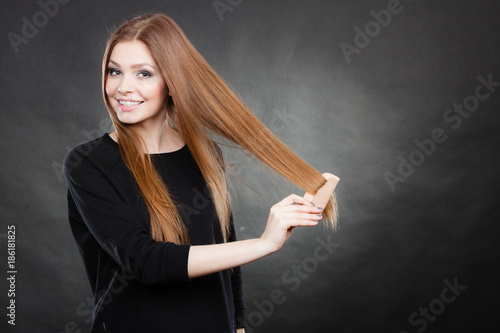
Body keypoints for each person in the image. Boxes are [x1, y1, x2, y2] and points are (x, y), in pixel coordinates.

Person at [63, 13, 338, 333]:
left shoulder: (205, 154)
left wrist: (237, 324)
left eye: (144, 74)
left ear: (172, 81)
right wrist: (265, 243)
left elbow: (224, 251)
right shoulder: (88, 163)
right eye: (115, 71)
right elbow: (145, 262)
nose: (124, 87)